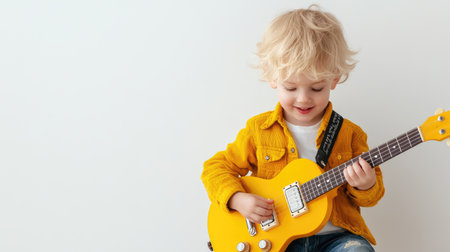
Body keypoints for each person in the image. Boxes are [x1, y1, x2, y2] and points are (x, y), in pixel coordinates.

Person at [201, 5, 384, 252]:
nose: (303, 99)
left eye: (316, 88)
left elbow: (371, 197)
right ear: (272, 78)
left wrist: (365, 184)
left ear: (334, 79)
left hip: (337, 239)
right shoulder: (260, 130)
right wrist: (237, 198)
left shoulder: (350, 134)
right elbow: (215, 168)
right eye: (290, 87)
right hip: (280, 242)